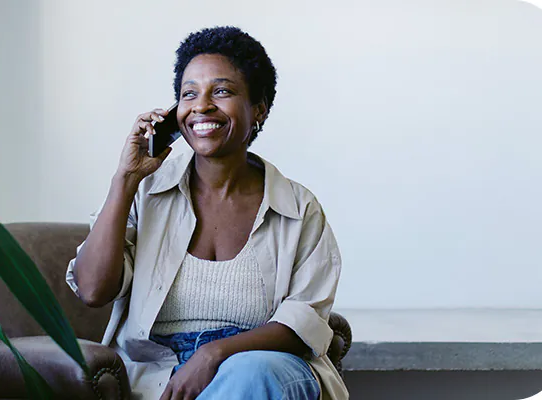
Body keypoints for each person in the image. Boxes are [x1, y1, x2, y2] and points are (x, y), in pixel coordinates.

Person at [66, 26, 348, 400]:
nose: (201, 106)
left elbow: (304, 322)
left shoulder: (298, 209)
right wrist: (126, 178)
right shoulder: (146, 192)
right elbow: (93, 289)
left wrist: (215, 353)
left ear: (258, 109)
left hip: (263, 367)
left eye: (222, 91)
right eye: (188, 94)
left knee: (252, 372)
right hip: (159, 374)